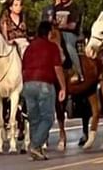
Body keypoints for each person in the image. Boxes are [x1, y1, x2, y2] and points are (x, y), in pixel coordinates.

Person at [22, 21, 67, 161]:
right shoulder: (52, 47)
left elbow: (23, 66)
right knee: (47, 118)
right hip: (44, 84)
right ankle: (35, 145)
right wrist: (63, 87)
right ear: (48, 33)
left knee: (34, 118)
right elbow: (57, 68)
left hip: (28, 84)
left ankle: (37, 150)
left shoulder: (29, 47)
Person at [54, 0, 84, 83]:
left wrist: (62, 26)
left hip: (72, 33)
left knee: (68, 45)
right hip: (58, 32)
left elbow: (73, 25)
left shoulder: (75, 8)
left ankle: (78, 72)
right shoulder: (56, 7)